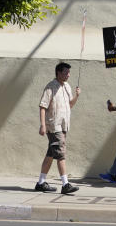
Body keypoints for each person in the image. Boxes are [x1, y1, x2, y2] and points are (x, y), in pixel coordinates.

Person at [35, 61, 81, 194]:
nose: (68, 75)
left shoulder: (67, 86)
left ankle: (41, 182)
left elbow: (70, 105)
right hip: (53, 125)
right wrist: (43, 125)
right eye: (65, 72)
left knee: (51, 154)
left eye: (69, 72)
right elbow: (43, 106)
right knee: (61, 152)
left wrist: (77, 96)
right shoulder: (50, 87)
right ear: (58, 73)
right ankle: (65, 184)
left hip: (64, 125)